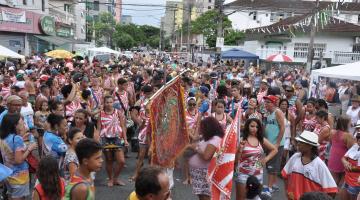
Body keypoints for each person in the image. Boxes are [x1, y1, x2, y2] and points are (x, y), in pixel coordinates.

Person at [282, 131, 338, 200]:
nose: (298, 144)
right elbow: (285, 175)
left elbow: (332, 190)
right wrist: (288, 191)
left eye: (301, 142)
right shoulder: (295, 157)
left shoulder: (319, 164)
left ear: (310, 146)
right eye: (299, 141)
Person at [235, 118, 277, 200]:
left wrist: (266, 159)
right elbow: (236, 161)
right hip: (243, 174)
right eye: (252, 126)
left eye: (257, 127)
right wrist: (240, 150)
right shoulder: (242, 140)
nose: (255, 129)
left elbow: (274, 150)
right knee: (241, 198)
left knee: (256, 197)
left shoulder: (261, 139)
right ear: (247, 126)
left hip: (258, 174)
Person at [0, 113, 37, 200]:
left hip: (8, 174)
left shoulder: (3, 137)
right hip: (19, 176)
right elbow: (18, 160)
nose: (24, 124)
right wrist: (29, 149)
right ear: (15, 125)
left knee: (11, 195)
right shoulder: (17, 139)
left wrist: (21, 139)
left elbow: (10, 150)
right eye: (21, 123)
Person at [188, 117, 224, 200]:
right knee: (202, 195)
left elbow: (206, 156)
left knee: (205, 195)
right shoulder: (209, 138)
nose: (202, 129)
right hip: (200, 172)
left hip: (204, 172)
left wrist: (195, 148)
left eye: (203, 127)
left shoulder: (215, 139)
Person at [98, 95, 128, 187]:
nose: (109, 104)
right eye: (107, 102)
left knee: (121, 161)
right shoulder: (101, 113)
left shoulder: (118, 112)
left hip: (116, 137)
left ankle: (115, 178)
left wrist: (125, 139)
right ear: (104, 103)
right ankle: (111, 179)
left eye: (111, 102)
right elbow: (99, 128)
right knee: (109, 160)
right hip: (106, 138)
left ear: (113, 102)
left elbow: (123, 126)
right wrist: (97, 139)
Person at [262, 95, 285, 197]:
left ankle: (269, 188)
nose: (265, 104)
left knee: (272, 166)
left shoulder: (277, 112)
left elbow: (282, 127)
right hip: (269, 143)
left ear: (274, 103)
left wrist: (277, 143)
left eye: (268, 102)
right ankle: (273, 184)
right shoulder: (269, 113)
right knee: (271, 165)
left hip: (276, 145)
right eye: (265, 102)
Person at [328, 116, 355, 186]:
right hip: (343, 159)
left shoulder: (332, 132)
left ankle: (331, 194)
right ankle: (339, 194)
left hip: (333, 157)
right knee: (342, 181)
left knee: (333, 180)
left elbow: (331, 143)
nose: (351, 123)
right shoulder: (348, 135)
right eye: (349, 122)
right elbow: (352, 149)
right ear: (346, 124)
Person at [341, 132, 360, 200]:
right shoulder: (355, 146)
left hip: (356, 183)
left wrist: (350, 167)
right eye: (358, 139)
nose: (357, 141)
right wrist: (345, 162)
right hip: (347, 178)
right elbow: (343, 157)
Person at [279, 99, 296, 168]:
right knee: (278, 155)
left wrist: (292, 138)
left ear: (287, 106)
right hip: (278, 137)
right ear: (279, 105)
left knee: (284, 155)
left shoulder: (290, 115)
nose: (284, 106)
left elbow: (293, 126)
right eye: (282, 104)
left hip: (287, 138)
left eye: (285, 104)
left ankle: (282, 170)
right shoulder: (276, 114)